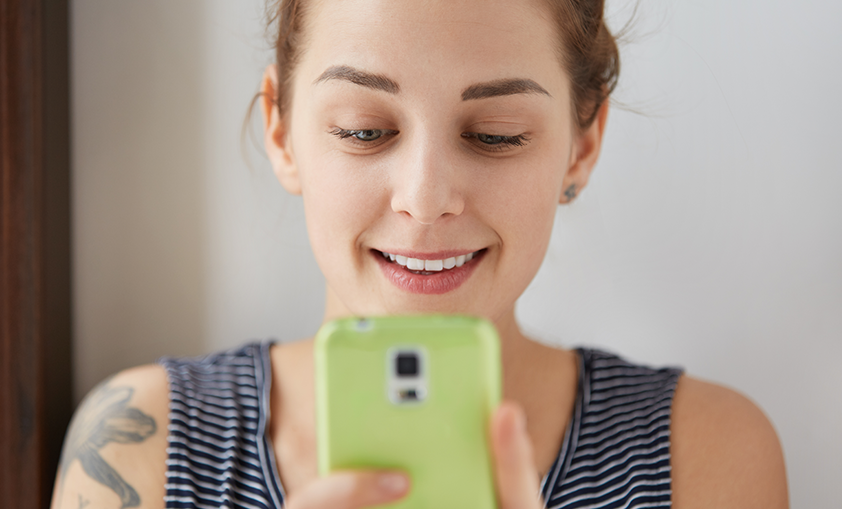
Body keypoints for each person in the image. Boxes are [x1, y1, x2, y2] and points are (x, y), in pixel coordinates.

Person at [51, 0, 789, 508]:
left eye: (495, 134)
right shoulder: (143, 443)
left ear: (581, 144)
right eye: (365, 130)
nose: (425, 196)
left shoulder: (703, 454)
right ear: (282, 132)